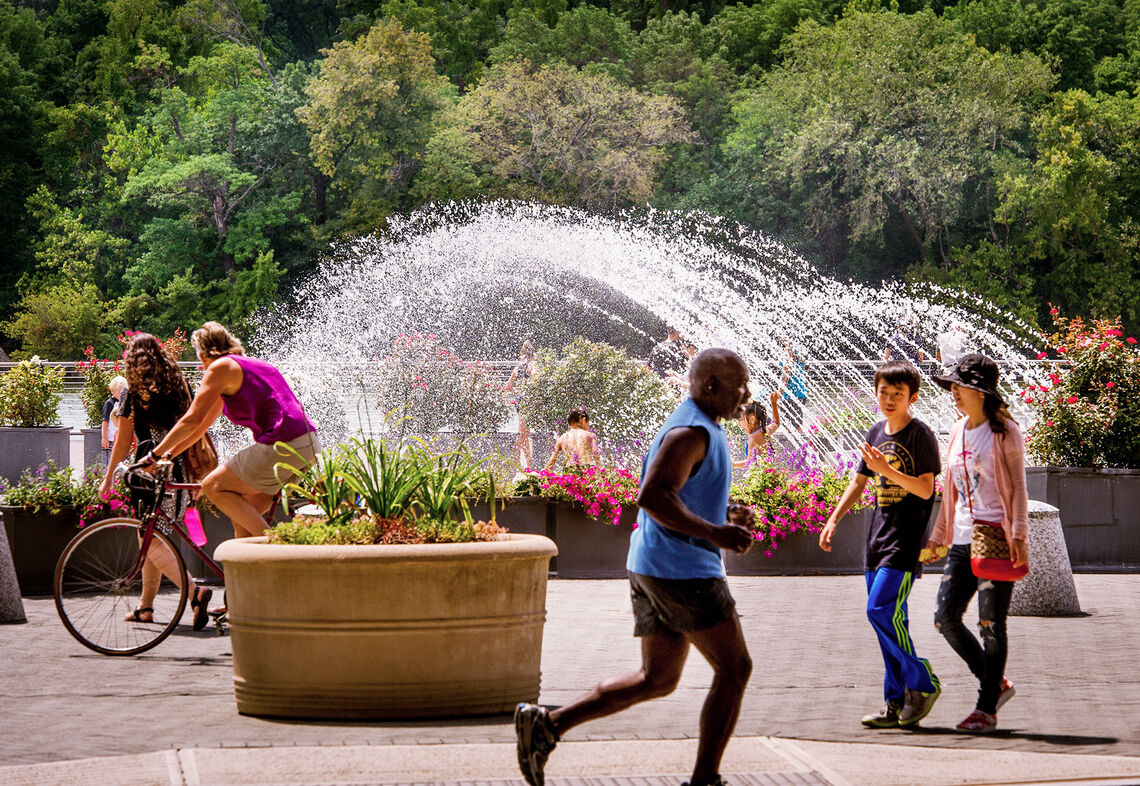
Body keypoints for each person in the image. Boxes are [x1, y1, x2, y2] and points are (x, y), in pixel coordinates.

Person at [515, 349, 756, 786]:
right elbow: (654, 496)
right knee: (735, 669)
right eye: (739, 383)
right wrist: (716, 534)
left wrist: (725, 513)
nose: (747, 392)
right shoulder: (690, 432)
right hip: (682, 570)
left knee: (657, 678)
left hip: (653, 563)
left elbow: (684, 492)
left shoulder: (703, 426)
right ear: (710, 386)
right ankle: (705, 781)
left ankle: (547, 725)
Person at [818, 360, 942, 729]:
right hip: (877, 540)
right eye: (883, 392)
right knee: (891, 620)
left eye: (898, 394)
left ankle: (923, 682)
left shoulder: (921, 435)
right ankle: (897, 701)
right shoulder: (875, 432)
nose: (889, 399)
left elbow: (925, 488)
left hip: (904, 543)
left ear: (912, 398)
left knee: (880, 612)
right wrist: (833, 519)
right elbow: (858, 483)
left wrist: (886, 470)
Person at [927, 354, 1027, 734]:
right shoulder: (957, 431)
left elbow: (1018, 486)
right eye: (952, 385)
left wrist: (1018, 532)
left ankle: (986, 709)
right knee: (945, 618)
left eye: (960, 385)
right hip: (964, 539)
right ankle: (994, 682)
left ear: (980, 392)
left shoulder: (1004, 432)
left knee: (990, 623)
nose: (953, 391)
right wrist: (939, 535)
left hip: (998, 537)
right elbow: (950, 489)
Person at [98, 335, 212, 631]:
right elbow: (196, 427)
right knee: (152, 539)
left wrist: (108, 477)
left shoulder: (133, 392)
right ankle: (145, 607)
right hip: (181, 473)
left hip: (150, 475)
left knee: (150, 541)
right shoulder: (180, 386)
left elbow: (122, 443)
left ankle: (194, 592)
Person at [505, 340, 537, 469]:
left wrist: (517, 390)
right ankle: (523, 465)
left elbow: (508, 386)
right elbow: (535, 380)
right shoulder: (532, 366)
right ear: (533, 354)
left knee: (522, 434)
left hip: (519, 399)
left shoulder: (518, 367)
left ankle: (522, 464)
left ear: (521, 353)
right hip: (527, 400)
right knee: (523, 434)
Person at [732, 392, 780, 469]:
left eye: (740, 420)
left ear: (752, 419)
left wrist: (734, 464)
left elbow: (751, 462)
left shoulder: (753, 438)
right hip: (768, 473)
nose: (739, 424)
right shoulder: (764, 430)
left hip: (761, 476)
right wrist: (774, 404)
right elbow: (776, 423)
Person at [778, 340, 809, 432]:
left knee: (788, 425)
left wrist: (780, 393)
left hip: (790, 392)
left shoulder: (788, 351)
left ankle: (792, 446)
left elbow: (786, 374)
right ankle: (802, 445)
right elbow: (802, 372)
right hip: (800, 391)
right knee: (798, 424)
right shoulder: (800, 350)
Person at [100, 375, 128, 463]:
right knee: (110, 460)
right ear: (112, 391)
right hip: (111, 438)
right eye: (120, 392)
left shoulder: (126, 403)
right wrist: (104, 437)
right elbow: (105, 421)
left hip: (122, 438)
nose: (122, 394)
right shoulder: (109, 403)